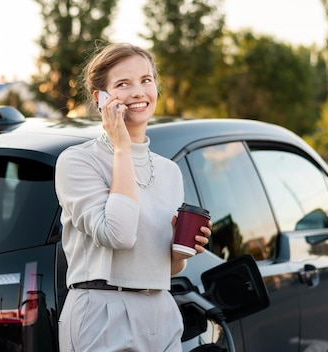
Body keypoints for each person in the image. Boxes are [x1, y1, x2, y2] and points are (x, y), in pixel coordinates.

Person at [55, 42, 212, 352]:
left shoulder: (169, 172)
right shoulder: (77, 162)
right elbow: (119, 234)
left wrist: (181, 254)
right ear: (100, 98)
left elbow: (159, 266)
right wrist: (122, 146)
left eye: (146, 80)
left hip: (161, 310)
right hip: (102, 312)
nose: (139, 91)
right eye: (123, 84)